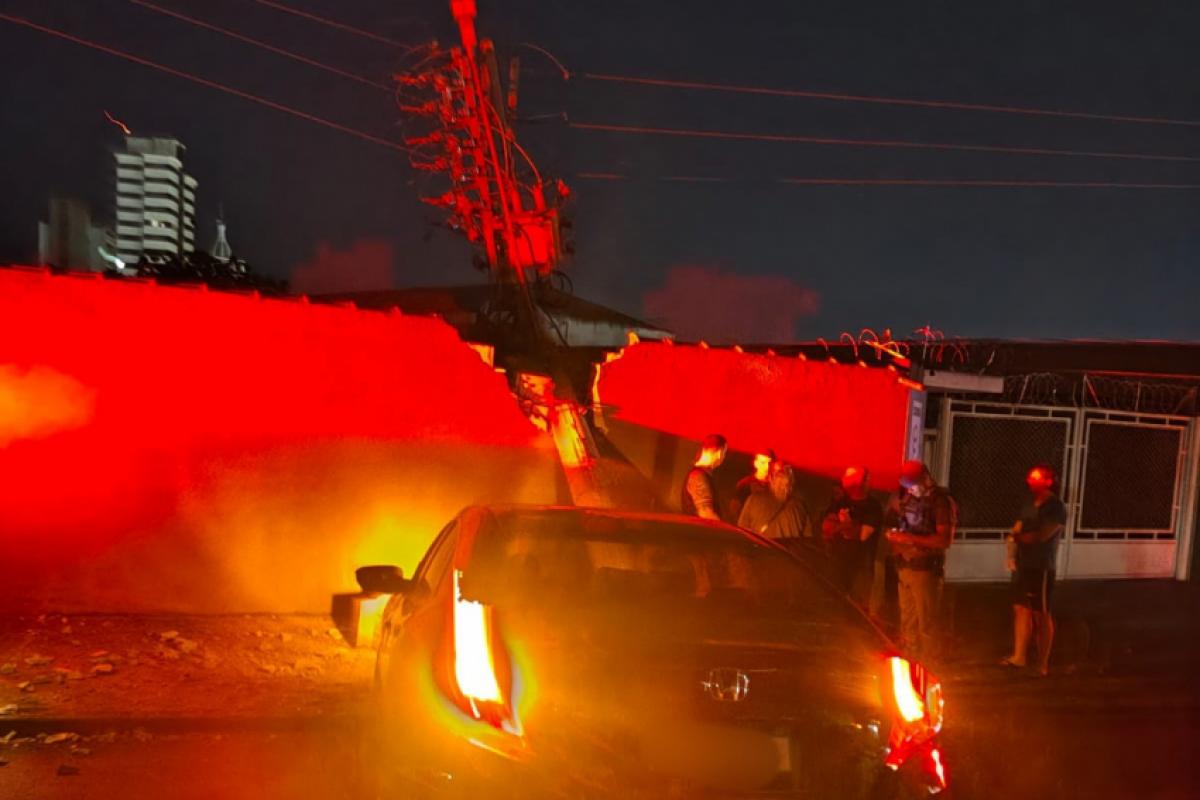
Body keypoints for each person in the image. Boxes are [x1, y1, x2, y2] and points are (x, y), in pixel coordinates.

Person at [884, 460, 954, 661]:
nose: (909, 489)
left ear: (926, 478)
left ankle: (929, 664)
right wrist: (896, 538)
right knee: (908, 622)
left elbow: (944, 540)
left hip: (925, 571)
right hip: (905, 567)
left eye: (912, 483)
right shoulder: (908, 498)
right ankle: (911, 660)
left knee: (927, 624)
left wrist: (909, 539)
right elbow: (897, 523)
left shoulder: (940, 501)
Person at [1002, 464, 1067, 676]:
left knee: (1041, 613)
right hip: (1023, 565)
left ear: (1049, 481)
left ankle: (1042, 664)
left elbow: (1043, 535)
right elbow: (1018, 527)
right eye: (1031, 477)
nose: (1032, 481)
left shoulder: (1055, 507)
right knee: (1021, 609)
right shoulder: (1029, 503)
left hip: (1041, 567)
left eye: (1038, 478)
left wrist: (1017, 538)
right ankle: (1019, 657)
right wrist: (1014, 544)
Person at [821, 466, 884, 609]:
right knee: (835, 608)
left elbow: (862, 535)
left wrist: (845, 526)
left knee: (858, 612)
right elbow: (826, 529)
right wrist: (846, 526)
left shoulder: (873, 506)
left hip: (861, 568)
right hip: (837, 566)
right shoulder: (840, 503)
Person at [738, 462, 810, 543]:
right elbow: (807, 541)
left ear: (771, 478)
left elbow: (741, 535)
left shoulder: (754, 500)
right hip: (787, 555)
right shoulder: (800, 507)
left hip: (762, 554)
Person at [682, 434, 727, 521]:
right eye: (724, 453)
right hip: (699, 533)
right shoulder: (698, 476)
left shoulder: (698, 475)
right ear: (719, 452)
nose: (723, 458)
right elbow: (706, 513)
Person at [731, 449, 776, 521]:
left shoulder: (776, 486)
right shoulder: (745, 484)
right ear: (756, 463)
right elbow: (735, 510)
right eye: (763, 462)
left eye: (770, 463)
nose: (767, 466)